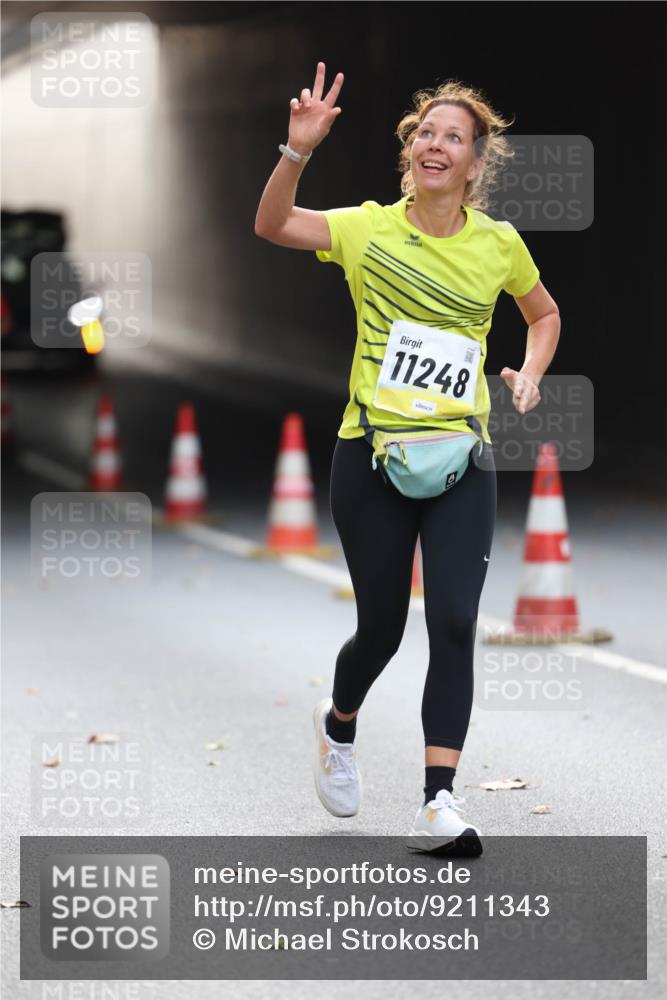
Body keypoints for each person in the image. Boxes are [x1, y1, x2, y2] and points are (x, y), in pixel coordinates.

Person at [255, 63, 560, 852]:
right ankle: (339, 722)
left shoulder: (498, 245)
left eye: (452, 137)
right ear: (410, 150)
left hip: (461, 457)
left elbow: (543, 313)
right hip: (371, 456)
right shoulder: (365, 228)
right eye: (426, 132)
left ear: (473, 161)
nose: (435, 145)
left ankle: (437, 801)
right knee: (383, 629)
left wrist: (527, 372)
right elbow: (272, 229)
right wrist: (296, 153)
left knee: (455, 620)